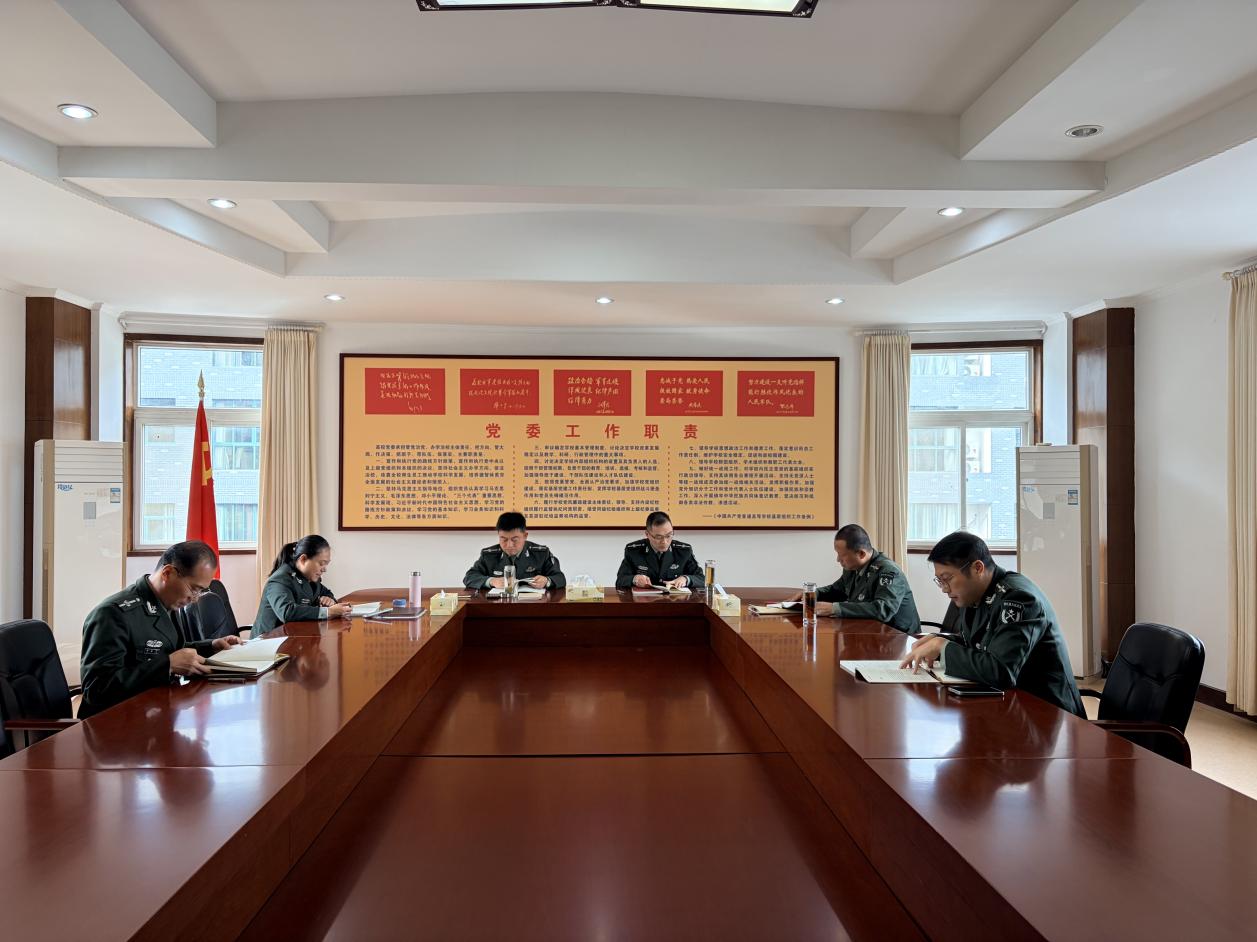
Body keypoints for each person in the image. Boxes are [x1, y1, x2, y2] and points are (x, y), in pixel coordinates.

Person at [900, 530, 1085, 717]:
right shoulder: (974, 594)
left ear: (977, 568)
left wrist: (943, 647)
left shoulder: (1018, 598)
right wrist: (939, 641)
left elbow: (1001, 671)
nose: (944, 589)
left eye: (947, 579)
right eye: (940, 581)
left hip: (1048, 713)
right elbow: (979, 643)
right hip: (1011, 705)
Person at [79, 540, 242, 719]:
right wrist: (167, 665)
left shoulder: (167, 603)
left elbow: (169, 649)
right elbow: (96, 688)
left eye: (200, 592)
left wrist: (211, 646)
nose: (195, 599)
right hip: (114, 723)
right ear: (168, 573)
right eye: (194, 589)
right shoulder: (113, 614)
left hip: (154, 711)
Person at [789, 524, 919, 632]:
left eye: (842, 555)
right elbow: (837, 590)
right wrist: (812, 594)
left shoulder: (888, 571)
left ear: (861, 554)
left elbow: (883, 610)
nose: (838, 560)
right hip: (867, 634)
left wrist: (835, 608)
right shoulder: (852, 568)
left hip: (897, 639)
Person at [253, 534, 352, 637]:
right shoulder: (280, 579)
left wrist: (329, 599)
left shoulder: (309, 577)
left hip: (295, 637)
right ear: (303, 559)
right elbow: (287, 612)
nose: (324, 569)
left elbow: (326, 592)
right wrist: (327, 612)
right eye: (321, 563)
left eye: (326, 564)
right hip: (269, 641)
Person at [464, 511, 565, 591]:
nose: (509, 545)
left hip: (533, 605)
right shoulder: (489, 555)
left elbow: (560, 578)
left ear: (525, 536)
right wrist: (491, 581)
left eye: (514, 540)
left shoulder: (541, 554)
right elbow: (469, 577)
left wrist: (547, 581)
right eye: (504, 539)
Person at [616, 511, 705, 590]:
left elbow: (702, 579)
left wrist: (685, 579)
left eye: (669, 535)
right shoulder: (633, 551)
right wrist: (635, 579)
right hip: (644, 601)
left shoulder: (684, 551)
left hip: (675, 601)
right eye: (658, 537)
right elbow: (620, 580)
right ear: (647, 534)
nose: (664, 541)